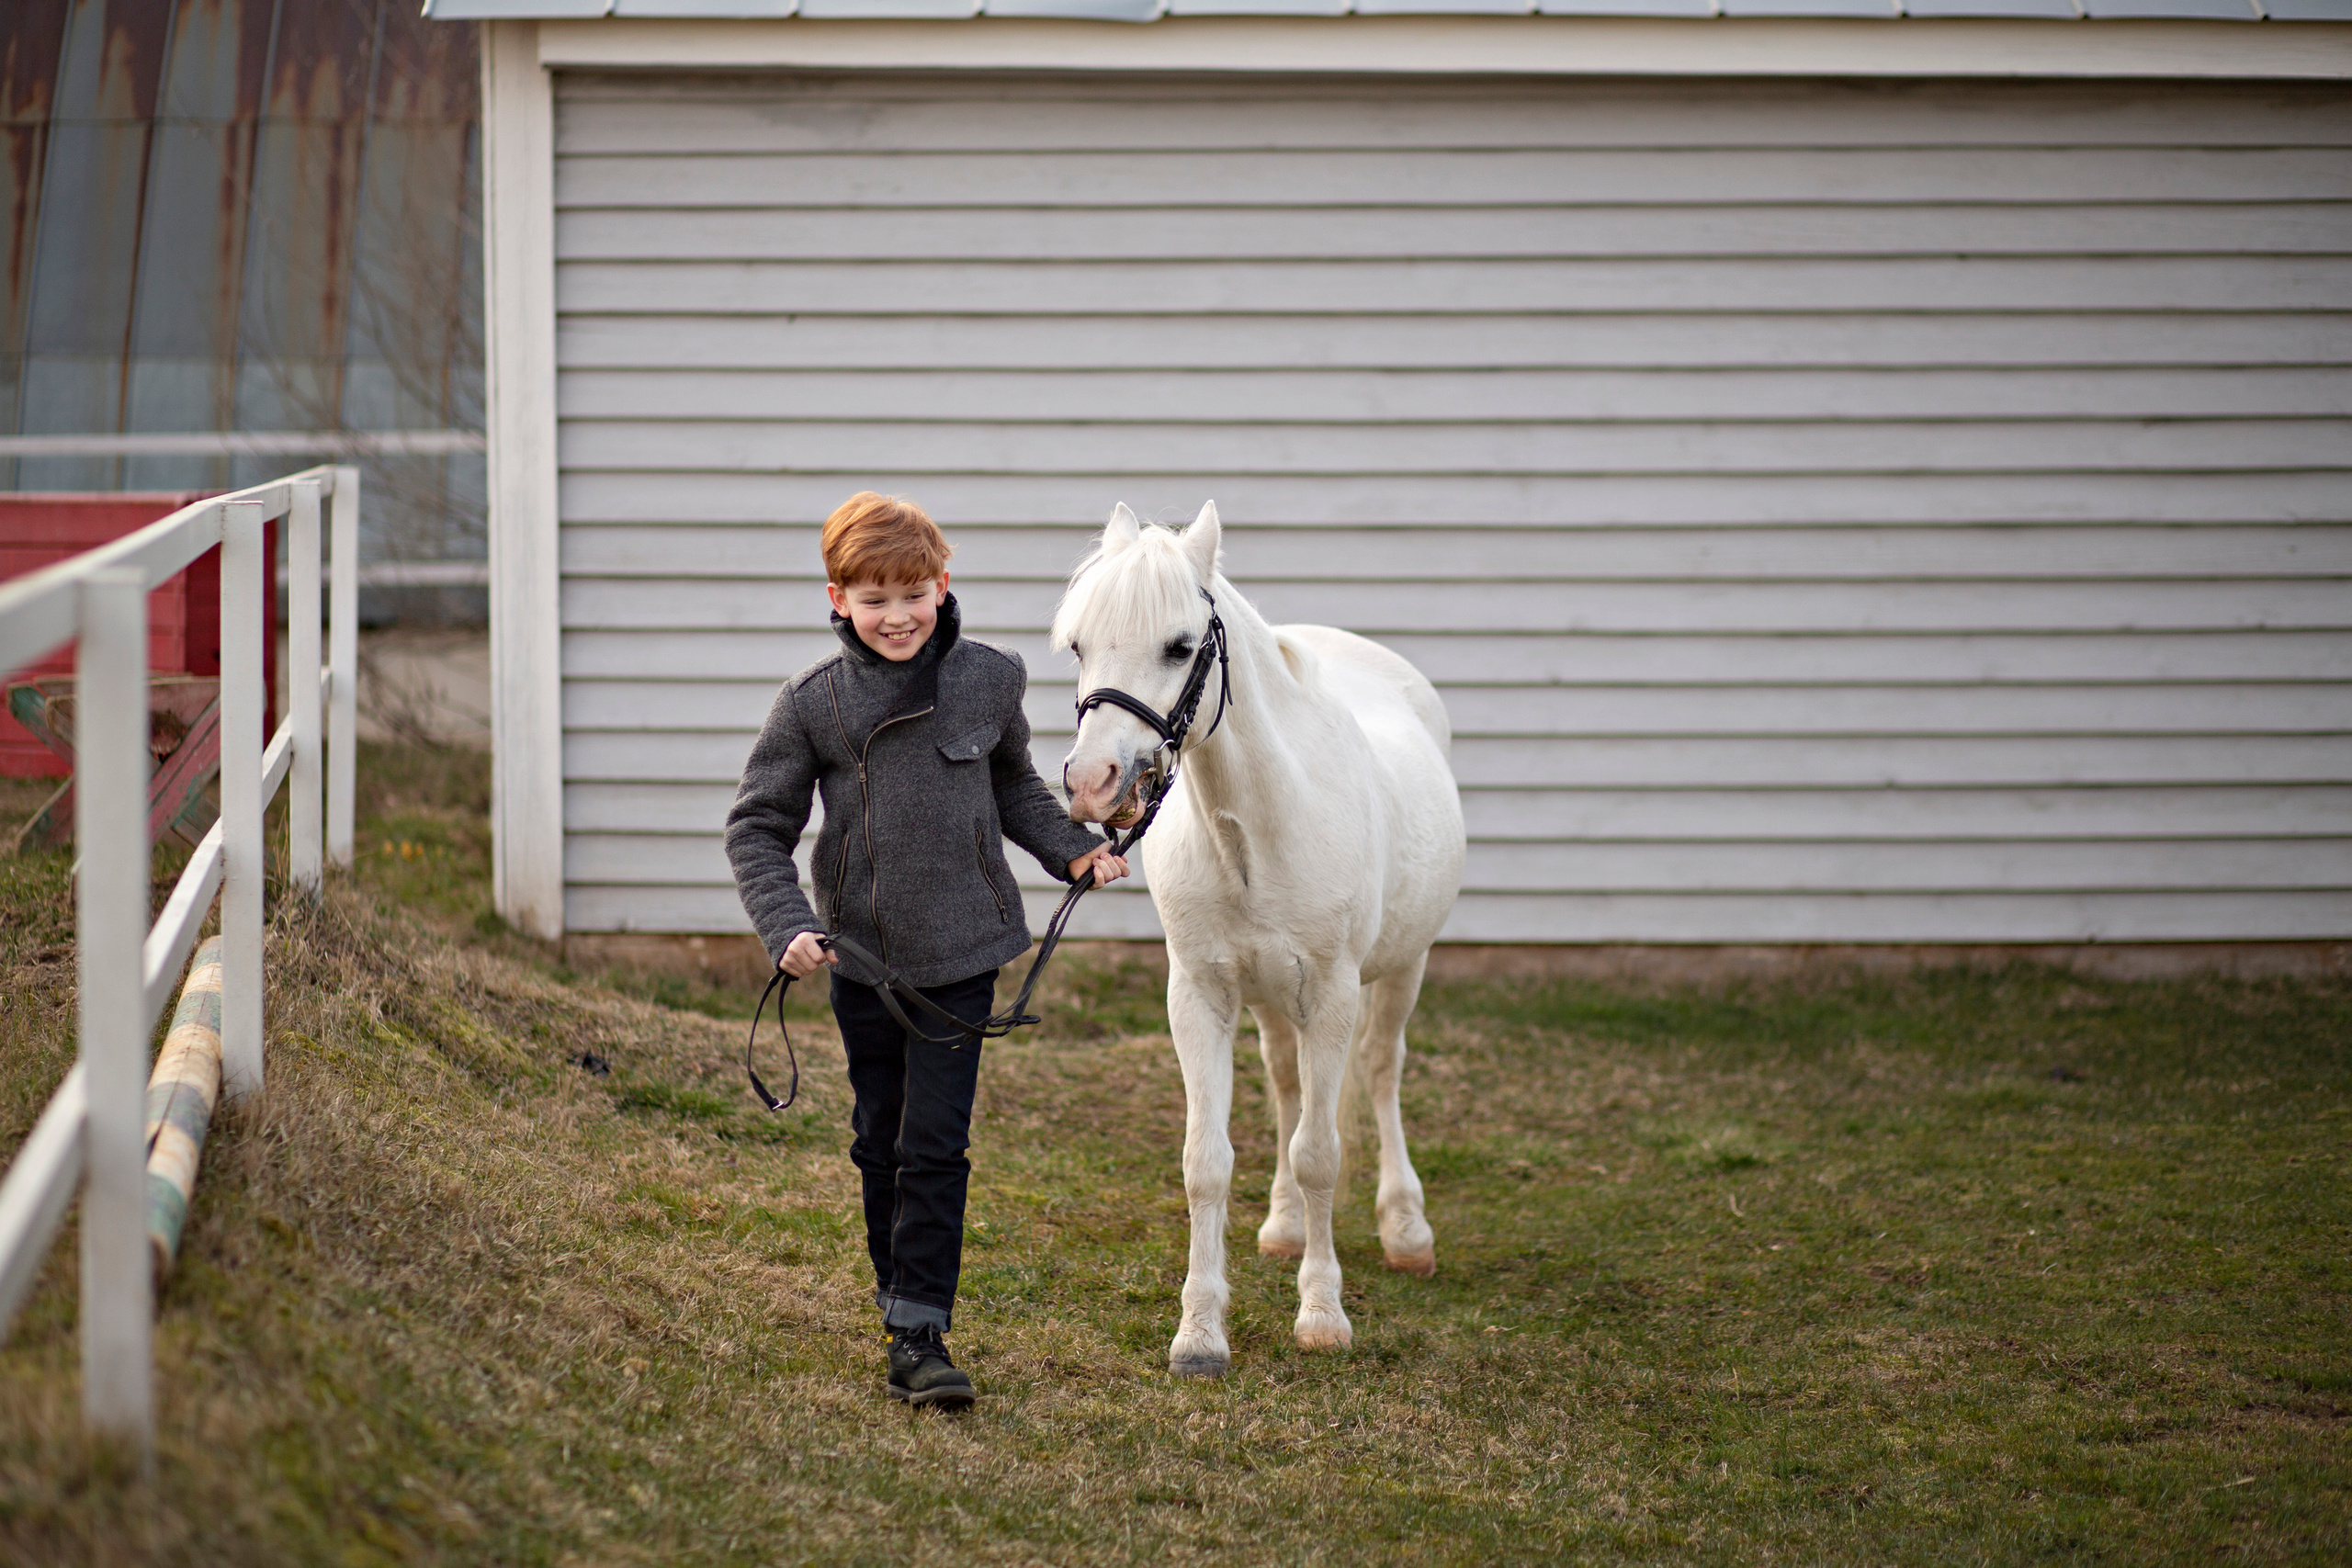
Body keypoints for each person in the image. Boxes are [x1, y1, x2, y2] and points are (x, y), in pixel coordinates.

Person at [725, 491, 1127, 1408]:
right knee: (881, 1140)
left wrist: (1072, 849)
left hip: (963, 956)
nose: (896, 615)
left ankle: (919, 1332)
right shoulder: (813, 706)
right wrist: (786, 924)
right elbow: (756, 828)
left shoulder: (991, 679)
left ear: (942, 587)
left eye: (912, 593)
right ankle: (895, 1295)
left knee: (934, 1144)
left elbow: (1017, 790)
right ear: (837, 601)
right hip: (863, 961)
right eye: (873, 599)